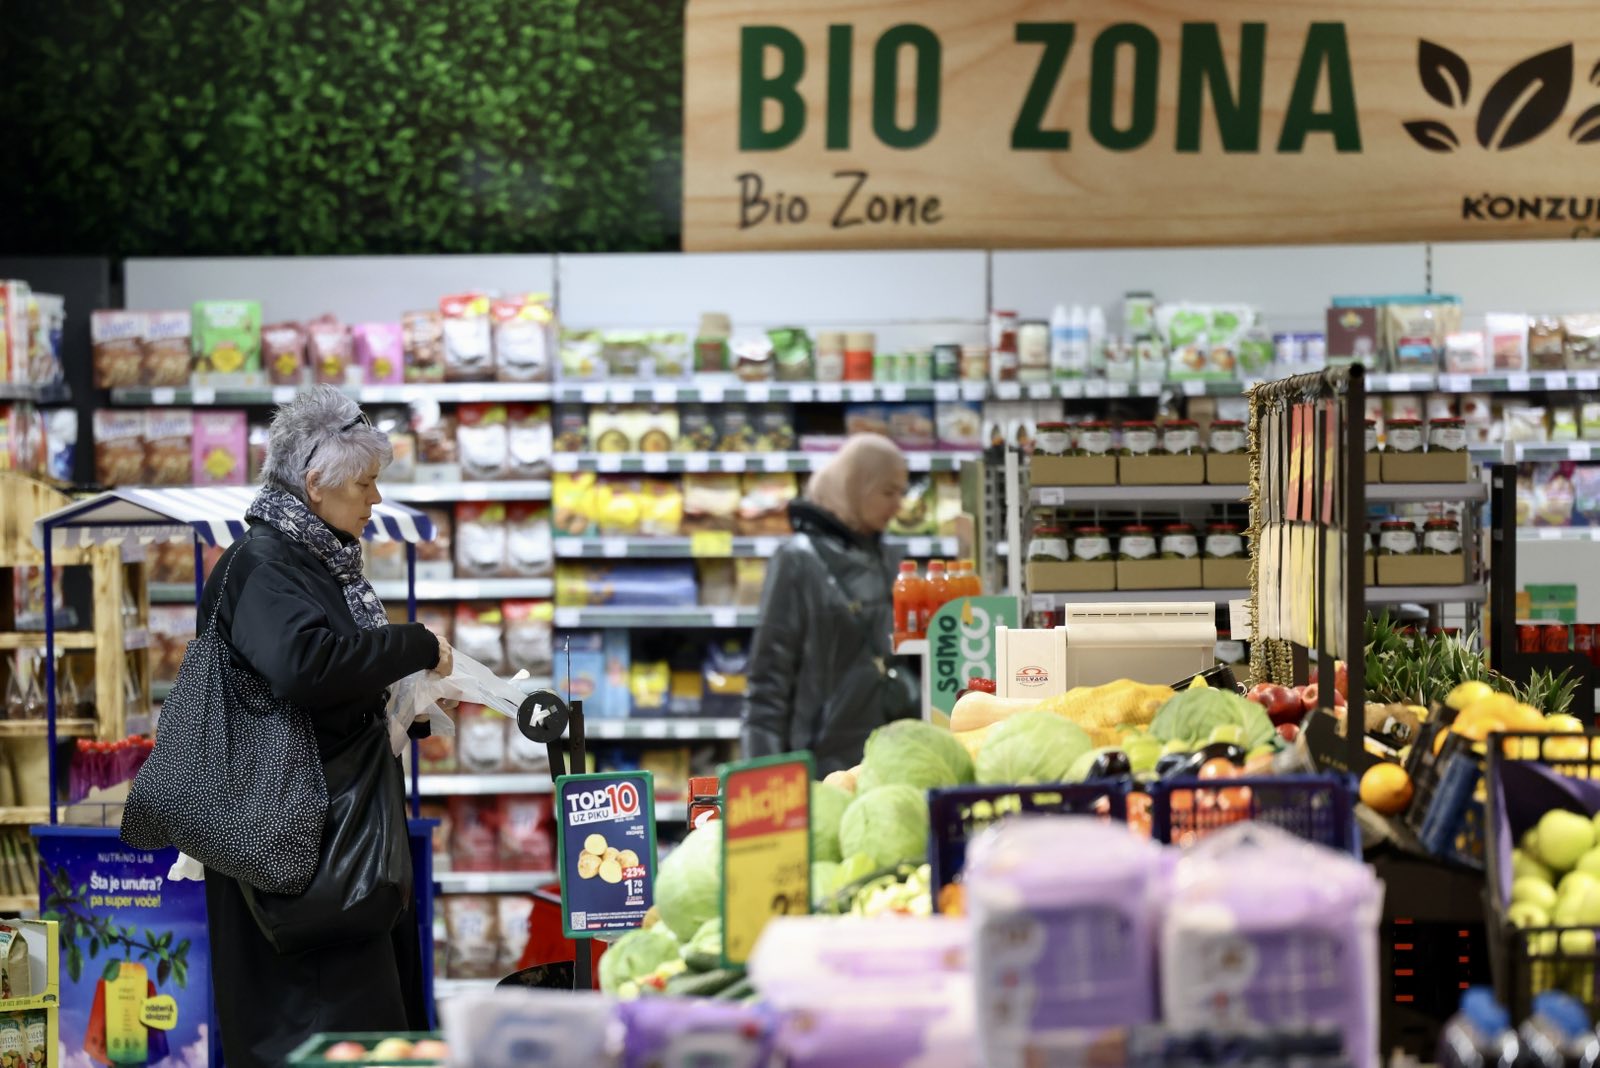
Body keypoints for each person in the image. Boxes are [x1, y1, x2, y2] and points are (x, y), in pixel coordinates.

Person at [199, 386, 452, 1068]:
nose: (374, 501)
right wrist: (413, 647)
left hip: (328, 848)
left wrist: (400, 701)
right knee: (318, 1035)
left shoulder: (309, 562)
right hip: (298, 870)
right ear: (316, 485)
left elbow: (324, 681)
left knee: (358, 1032)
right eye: (365, 484)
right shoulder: (261, 565)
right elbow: (303, 665)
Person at [742, 433, 919, 776]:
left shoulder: (885, 557)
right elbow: (767, 684)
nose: (898, 505)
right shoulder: (798, 559)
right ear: (855, 485)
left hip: (886, 759)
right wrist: (763, 780)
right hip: (818, 766)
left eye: (902, 492)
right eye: (888, 491)